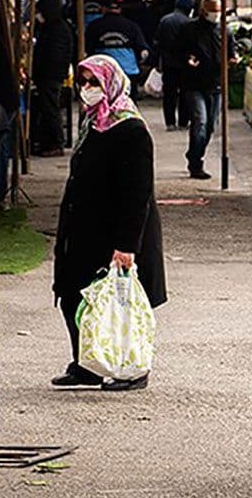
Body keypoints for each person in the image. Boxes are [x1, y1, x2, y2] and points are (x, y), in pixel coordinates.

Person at [52, 55, 166, 391]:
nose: (87, 89)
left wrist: (127, 245)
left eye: (94, 82)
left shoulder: (130, 128)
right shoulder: (93, 122)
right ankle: (86, 363)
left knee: (119, 304)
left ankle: (132, 368)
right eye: (83, 82)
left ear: (111, 85)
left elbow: (138, 193)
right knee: (75, 296)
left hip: (115, 231)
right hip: (85, 228)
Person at [178, 0, 238, 179]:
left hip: (216, 84)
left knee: (211, 126)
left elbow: (232, 52)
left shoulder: (225, 30)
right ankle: (196, 163)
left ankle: (195, 154)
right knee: (200, 122)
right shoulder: (189, 29)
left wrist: (233, 59)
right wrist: (187, 59)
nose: (216, 14)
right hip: (193, 84)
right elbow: (178, 51)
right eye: (213, 11)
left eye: (219, 11)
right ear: (203, 11)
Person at [32, 0, 73, 157]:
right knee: (48, 108)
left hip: (50, 76)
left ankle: (56, 142)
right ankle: (48, 141)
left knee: (50, 109)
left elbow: (55, 55)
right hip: (50, 75)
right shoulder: (53, 28)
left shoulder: (57, 30)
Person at [87, 0, 151, 91]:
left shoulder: (94, 26)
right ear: (120, 9)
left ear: (103, 9)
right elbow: (142, 48)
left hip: (103, 70)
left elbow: (88, 48)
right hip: (128, 70)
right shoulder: (131, 25)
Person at [155, 0, 194, 131]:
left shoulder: (165, 20)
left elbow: (158, 42)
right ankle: (183, 121)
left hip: (168, 63)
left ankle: (170, 122)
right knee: (185, 93)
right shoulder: (189, 23)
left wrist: (159, 60)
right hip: (185, 64)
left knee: (169, 94)